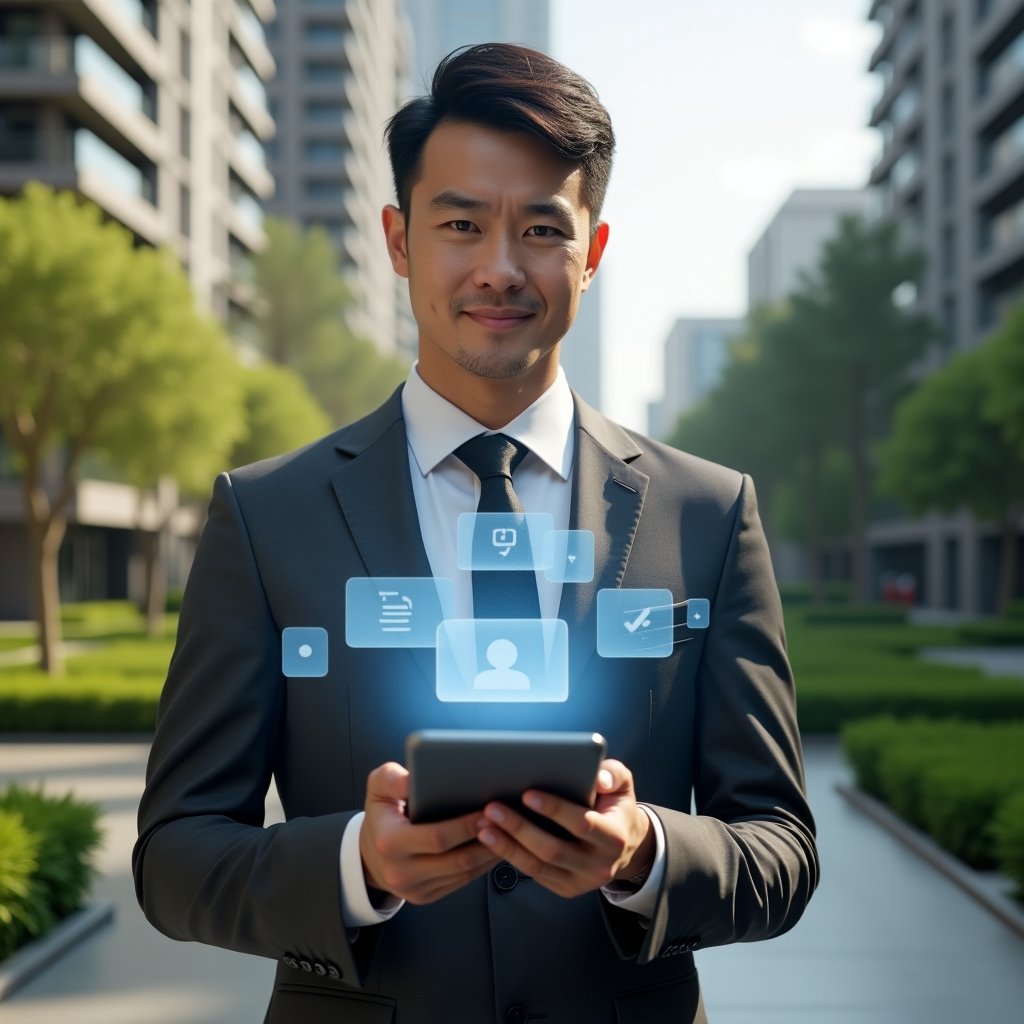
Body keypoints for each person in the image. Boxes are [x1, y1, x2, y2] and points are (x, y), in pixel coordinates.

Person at [134, 43, 818, 1024]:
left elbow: (781, 849)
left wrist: (644, 851)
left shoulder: (707, 513)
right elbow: (174, 857)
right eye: (460, 224)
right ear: (399, 240)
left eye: (541, 229)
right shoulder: (265, 515)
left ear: (593, 250)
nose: (499, 269)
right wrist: (356, 863)